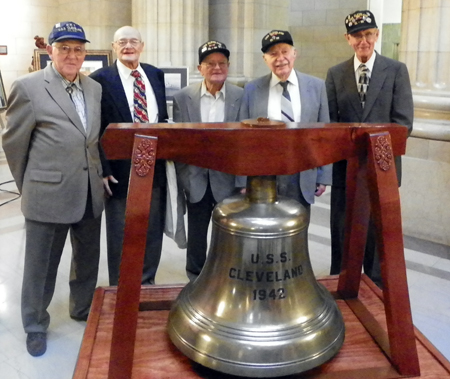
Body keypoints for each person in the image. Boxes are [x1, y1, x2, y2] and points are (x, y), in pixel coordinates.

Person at [2, 21, 104, 356]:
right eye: (64, 48)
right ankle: (34, 323)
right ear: (50, 50)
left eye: (78, 49)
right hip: (47, 194)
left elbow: (92, 140)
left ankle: (82, 308)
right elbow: (14, 143)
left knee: (87, 259)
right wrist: (29, 185)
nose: (72, 55)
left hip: (88, 190)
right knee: (41, 266)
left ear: (85, 53)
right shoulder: (29, 87)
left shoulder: (93, 88)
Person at [325, 10, 413, 285]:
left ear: (376, 35)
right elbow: (330, 123)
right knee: (343, 229)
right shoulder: (335, 73)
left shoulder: (396, 70)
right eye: (356, 36)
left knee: (377, 234)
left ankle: (375, 286)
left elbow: (403, 123)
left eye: (367, 34)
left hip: (382, 169)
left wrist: (375, 149)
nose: (363, 41)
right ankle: (340, 283)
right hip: (345, 169)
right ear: (347, 39)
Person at [90, 26, 168, 286]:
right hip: (118, 172)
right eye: (121, 42)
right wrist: (103, 167)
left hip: (155, 167)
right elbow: (96, 128)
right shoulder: (100, 79)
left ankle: (146, 286)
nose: (128, 46)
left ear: (142, 45)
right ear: (113, 47)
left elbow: (163, 120)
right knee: (121, 236)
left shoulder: (155, 75)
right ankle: (121, 289)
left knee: (152, 232)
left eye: (133, 41)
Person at [173, 41, 243, 281]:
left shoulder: (241, 97)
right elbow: (180, 143)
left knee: (229, 234)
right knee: (197, 235)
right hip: (196, 179)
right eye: (210, 63)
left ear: (228, 66)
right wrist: (184, 177)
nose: (216, 67)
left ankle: (227, 278)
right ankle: (196, 279)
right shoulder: (183, 98)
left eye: (222, 63)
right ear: (199, 68)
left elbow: (246, 142)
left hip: (230, 181)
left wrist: (242, 180)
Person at [239, 30, 332, 210]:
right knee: (264, 231)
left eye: (284, 52)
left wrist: (324, 175)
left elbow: (324, 135)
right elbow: (243, 137)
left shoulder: (317, 87)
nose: (280, 58)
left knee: (298, 231)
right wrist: (242, 179)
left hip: (302, 173)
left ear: (294, 53)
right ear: (264, 59)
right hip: (263, 175)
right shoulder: (252, 89)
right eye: (273, 54)